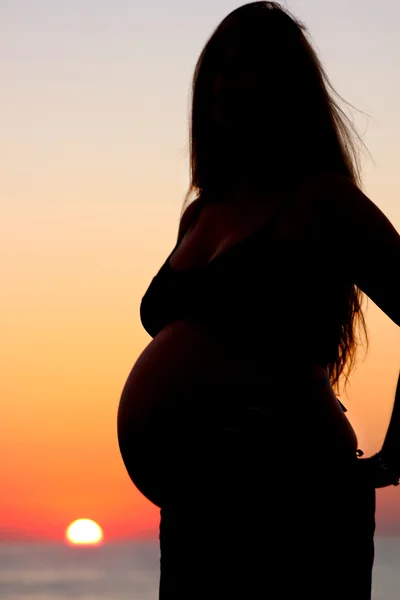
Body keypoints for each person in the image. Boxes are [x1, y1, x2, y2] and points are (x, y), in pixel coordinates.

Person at [117, 2, 400, 598]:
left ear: (288, 90)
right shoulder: (199, 214)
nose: (234, 84)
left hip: (294, 503)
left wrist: (397, 452)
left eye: (255, 70)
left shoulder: (321, 200)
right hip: (198, 512)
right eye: (225, 67)